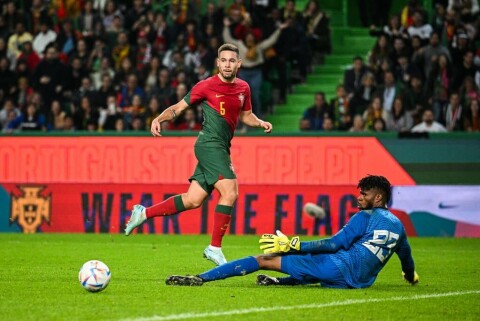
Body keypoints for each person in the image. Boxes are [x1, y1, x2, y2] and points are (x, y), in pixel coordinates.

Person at [124, 43, 273, 266]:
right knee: (230, 192)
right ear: (218, 63)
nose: (227, 64)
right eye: (223, 60)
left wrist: (260, 122)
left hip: (221, 146)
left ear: (239, 64)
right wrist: (158, 119)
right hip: (208, 144)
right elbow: (179, 107)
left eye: (232, 61)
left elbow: (246, 116)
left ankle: (143, 213)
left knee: (193, 200)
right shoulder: (206, 86)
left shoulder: (244, 88)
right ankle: (214, 247)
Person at [165, 175, 419, 289]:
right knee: (310, 267)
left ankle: (201, 278)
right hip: (359, 282)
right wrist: (410, 276)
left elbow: (333, 245)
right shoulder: (398, 226)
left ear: (378, 196)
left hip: (337, 268)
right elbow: (406, 259)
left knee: (263, 258)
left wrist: (292, 243)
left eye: (364, 193)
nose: (359, 197)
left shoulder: (365, 217)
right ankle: (279, 282)